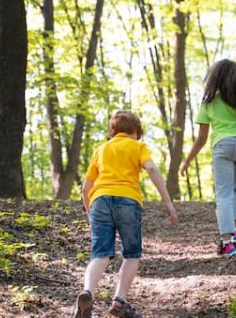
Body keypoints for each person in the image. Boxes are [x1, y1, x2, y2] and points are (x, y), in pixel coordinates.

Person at [73, 111, 177, 318]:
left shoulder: (101, 149)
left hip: (100, 201)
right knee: (131, 254)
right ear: (137, 131)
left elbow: (86, 187)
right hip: (128, 201)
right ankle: (119, 301)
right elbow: (152, 169)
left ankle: (87, 292)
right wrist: (167, 202)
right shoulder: (138, 146)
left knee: (100, 254)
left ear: (112, 131)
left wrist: (89, 213)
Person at [180, 59, 236, 257]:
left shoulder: (209, 103)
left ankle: (226, 243)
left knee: (223, 194)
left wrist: (188, 160)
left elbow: (201, 138)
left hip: (223, 146)